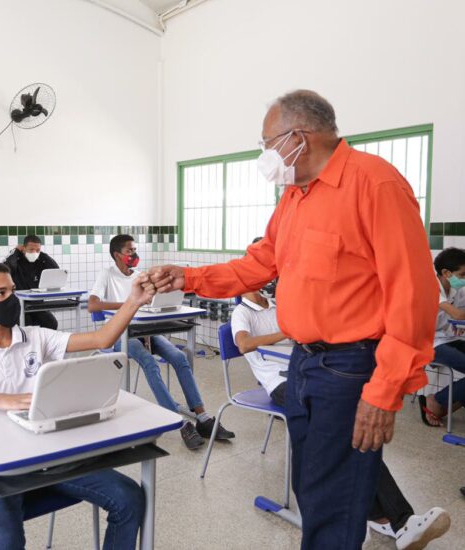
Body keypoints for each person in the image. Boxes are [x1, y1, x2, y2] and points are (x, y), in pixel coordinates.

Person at [149, 90, 439, 549]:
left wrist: (384, 392)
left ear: (298, 138)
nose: (264, 154)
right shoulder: (294, 197)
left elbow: (413, 293)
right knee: (312, 488)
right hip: (303, 363)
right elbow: (259, 264)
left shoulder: (374, 184)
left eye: (267, 142)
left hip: (350, 367)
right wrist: (188, 276)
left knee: (333, 499)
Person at [0, 260, 157, 550]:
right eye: (1, 294)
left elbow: (102, 337)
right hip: (0, 470)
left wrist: (133, 301)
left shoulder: (36, 337)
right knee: (6, 537)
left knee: (129, 498)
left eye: (13, 291)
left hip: (54, 455)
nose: (12, 300)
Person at [231, 280, 450, 550]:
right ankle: (399, 520)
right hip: (279, 383)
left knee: (351, 434)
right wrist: (286, 332)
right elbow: (244, 345)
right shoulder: (241, 312)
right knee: (349, 434)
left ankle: (382, 517)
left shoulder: (276, 305)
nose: (266, 281)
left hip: (307, 371)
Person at [87, 234, 234, 451]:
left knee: (180, 357)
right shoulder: (106, 275)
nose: (134, 254)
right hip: (120, 334)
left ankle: (202, 417)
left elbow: (151, 303)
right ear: (117, 255)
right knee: (149, 362)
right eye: (130, 251)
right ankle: (180, 423)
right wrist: (129, 304)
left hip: (146, 331)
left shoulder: (139, 276)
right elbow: (92, 305)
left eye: (135, 250)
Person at [418, 247, 465, 426]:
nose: (464, 279)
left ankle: (446, 403)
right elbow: (458, 315)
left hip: (449, 339)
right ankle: (436, 401)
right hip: (428, 343)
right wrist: (458, 318)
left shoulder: (457, 289)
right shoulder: (429, 286)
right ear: (446, 272)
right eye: (462, 274)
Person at [4, 235, 60, 329]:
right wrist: (16, 251)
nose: (34, 252)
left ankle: (44, 343)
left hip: (36, 303)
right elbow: (5, 268)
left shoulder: (41, 260)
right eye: (31, 249)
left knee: (51, 323)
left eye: (37, 250)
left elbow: (56, 269)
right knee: (27, 324)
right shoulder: (16, 260)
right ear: (24, 248)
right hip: (19, 304)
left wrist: (41, 254)